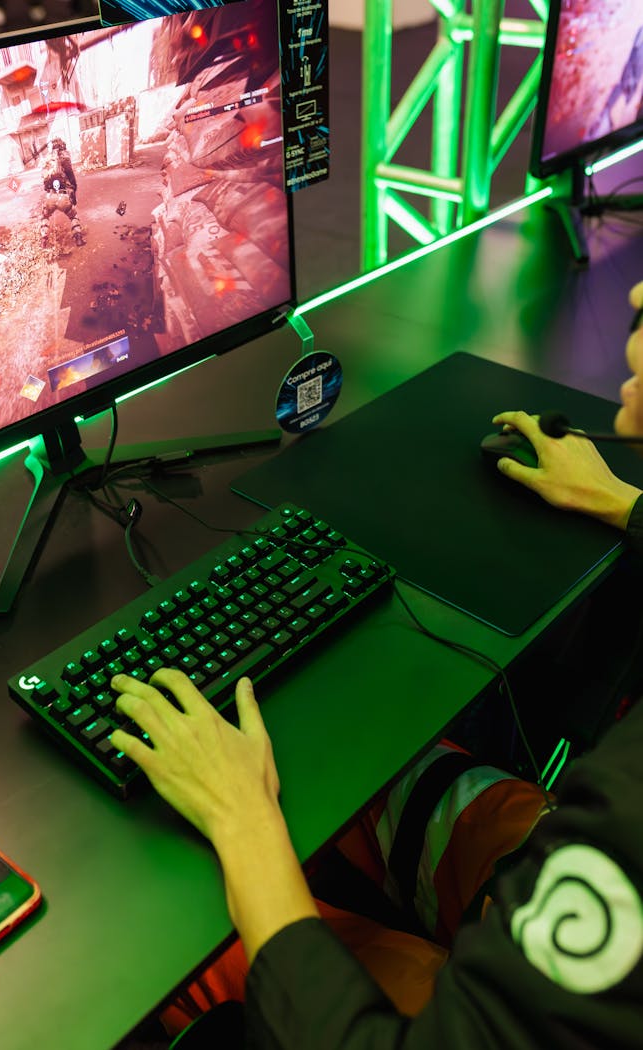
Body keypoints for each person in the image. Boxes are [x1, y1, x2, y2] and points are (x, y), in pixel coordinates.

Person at [110, 281, 643, 1048]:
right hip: (553, 867)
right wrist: (622, 504)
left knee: (173, 922)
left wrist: (241, 819)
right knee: (373, 766)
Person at [40, 137, 85, 248]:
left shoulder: (48, 159)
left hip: (50, 196)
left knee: (45, 217)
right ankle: (78, 238)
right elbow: (71, 176)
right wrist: (73, 190)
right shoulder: (64, 157)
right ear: (62, 146)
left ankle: (43, 240)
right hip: (63, 196)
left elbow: (44, 180)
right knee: (73, 216)